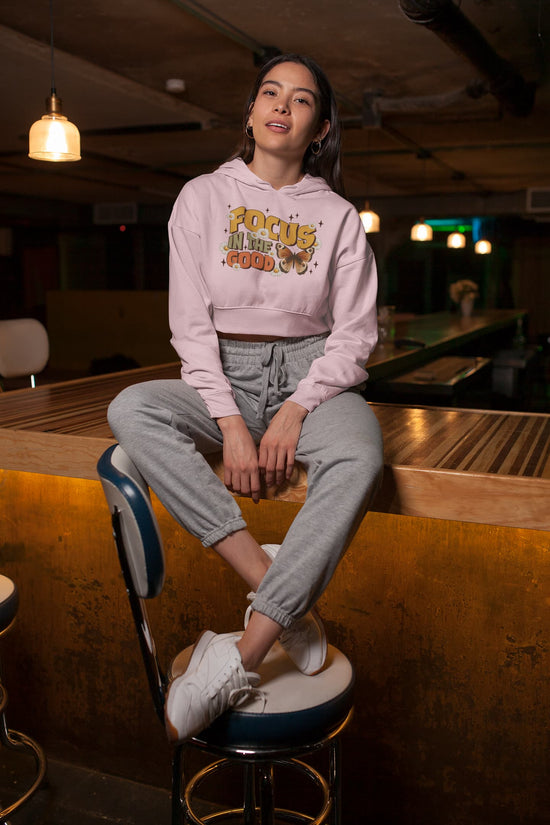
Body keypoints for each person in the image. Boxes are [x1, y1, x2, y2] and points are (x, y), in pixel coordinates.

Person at [107, 53, 384, 744]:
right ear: (252, 110)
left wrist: (296, 406)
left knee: (359, 454)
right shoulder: (204, 196)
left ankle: (243, 651)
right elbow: (190, 323)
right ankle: (281, 591)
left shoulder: (339, 216)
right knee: (132, 409)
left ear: (319, 128)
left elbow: (356, 334)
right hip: (221, 369)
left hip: (312, 372)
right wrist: (230, 421)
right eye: (270, 92)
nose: (281, 106)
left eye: (300, 100)